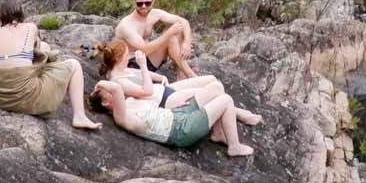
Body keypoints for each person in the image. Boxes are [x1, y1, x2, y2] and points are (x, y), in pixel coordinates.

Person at [0, 0, 100, 130]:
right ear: (20, 11)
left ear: (0, 15)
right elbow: (37, 55)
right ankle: (79, 116)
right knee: (74, 65)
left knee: (40, 51)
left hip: (2, 100)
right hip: (28, 98)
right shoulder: (30, 28)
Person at [94, 39, 262, 126]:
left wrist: (161, 77)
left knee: (210, 79)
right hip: (163, 101)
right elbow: (146, 91)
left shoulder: (124, 70)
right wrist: (144, 65)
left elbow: (148, 77)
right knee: (214, 90)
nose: (129, 53)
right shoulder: (118, 81)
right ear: (118, 58)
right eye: (126, 52)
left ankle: (235, 111)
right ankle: (237, 114)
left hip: (163, 90)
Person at [89, 77, 254, 156]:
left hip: (176, 113)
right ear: (106, 103)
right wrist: (100, 84)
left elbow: (153, 103)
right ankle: (234, 146)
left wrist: (173, 105)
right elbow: (117, 88)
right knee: (225, 100)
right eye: (108, 92)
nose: (114, 91)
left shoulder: (130, 101)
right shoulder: (121, 117)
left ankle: (218, 134)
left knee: (216, 87)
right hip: (180, 130)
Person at [114, 0, 195, 74]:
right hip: (132, 64)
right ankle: (192, 75)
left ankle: (181, 74)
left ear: (153, 1)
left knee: (178, 31)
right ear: (134, 2)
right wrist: (168, 34)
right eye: (140, 4)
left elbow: (183, 22)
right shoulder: (127, 25)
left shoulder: (154, 14)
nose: (144, 6)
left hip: (148, 59)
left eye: (147, 3)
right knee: (170, 37)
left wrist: (186, 43)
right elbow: (144, 50)